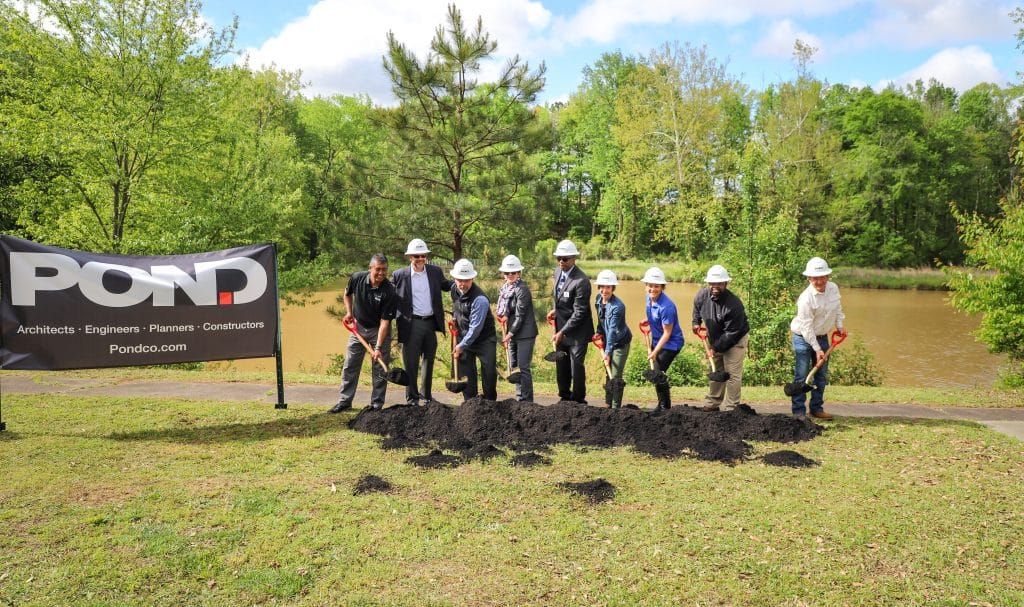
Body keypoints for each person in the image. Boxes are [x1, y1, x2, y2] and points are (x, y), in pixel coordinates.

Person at [330, 253, 397, 413]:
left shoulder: (389, 290)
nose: (381, 273)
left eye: (384, 270)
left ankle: (376, 405)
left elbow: (385, 322)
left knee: (380, 369)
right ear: (370, 268)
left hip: (378, 330)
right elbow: (347, 294)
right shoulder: (357, 278)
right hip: (357, 328)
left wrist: (378, 347)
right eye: (378, 269)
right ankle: (344, 402)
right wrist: (348, 313)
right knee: (350, 366)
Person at [392, 238, 454, 406]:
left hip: (430, 323)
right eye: (416, 256)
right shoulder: (399, 275)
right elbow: (388, 295)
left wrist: (462, 281)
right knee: (411, 363)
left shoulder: (434, 271)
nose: (420, 259)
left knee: (429, 360)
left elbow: (447, 285)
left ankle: (426, 396)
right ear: (410, 257)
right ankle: (412, 398)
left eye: (423, 256)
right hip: (411, 324)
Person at [790, 256, 847, 420]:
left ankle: (816, 409)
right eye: (815, 278)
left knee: (821, 376)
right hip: (803, 338)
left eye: (822, 277)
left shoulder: (833, 288)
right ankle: (798, 413)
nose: (819, 281)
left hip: (823, 337)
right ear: (809, 278)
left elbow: (837, 309)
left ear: (827, 276)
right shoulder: (806, 299)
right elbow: (806, 328)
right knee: (802, 376)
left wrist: (840, 326)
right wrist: (817, 349)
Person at [691, 264, 750, 412]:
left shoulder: (734, 305)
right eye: (712, 283)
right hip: (715, 337)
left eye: (719, 283)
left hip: (735, 339)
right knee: (717, 370)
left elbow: (731, 334)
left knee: (732, 374)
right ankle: (713, 403)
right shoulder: (702, 295)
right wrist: (695, 323)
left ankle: (731, 407)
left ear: (725, 283)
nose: (715, 286)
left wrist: (715, 349)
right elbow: (696, 309)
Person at [546, 239, 594, 404]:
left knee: (576, 367)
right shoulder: (557, 272)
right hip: (561, 327)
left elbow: (580, 312)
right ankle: (564, 397)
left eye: (565, 259)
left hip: (578, 332)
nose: (561, 262)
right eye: (558, 258)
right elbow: (559, 297)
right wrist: (556, 310)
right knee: (562, 364)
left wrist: (563, 331)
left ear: (574, 258)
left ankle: (579, 400)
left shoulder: (582, 281)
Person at [449, 258, 498, 401]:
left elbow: (475, 328)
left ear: (472, 278)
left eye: (466, 280)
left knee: (488, 373)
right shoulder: (454, 289)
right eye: (459, 280)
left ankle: (490, 403)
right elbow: (458, 307)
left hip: (484, 340)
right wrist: (455, 319)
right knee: (468, 375)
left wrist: (461, 345)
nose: (462, 284)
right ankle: (470, 405)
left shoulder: (480, 300)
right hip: (464, 338)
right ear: (454, 278)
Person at [496, 254, 538, 402]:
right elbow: (510, 310)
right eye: (507, 273)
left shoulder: (522, 289)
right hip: (513, 332)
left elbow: (520, 316)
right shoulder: (506, 289)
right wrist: (505, 316)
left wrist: (510, 333)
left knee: (523, 367)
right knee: (514, 367)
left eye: (513, 272)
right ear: (503, 274)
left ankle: (527, 401)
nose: (510, 275)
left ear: (519, 273)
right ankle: (519, 397)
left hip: (525, 333)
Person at [642, 267, 683, 411]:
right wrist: (647, 321)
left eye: (656, 286)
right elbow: (653, 316)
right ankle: (661, 404)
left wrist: (655, 352)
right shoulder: (649, 298)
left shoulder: (667, 307)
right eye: (650, 285)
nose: (652, 289)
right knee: (657, 373)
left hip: (671, 343)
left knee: (657, 372)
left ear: (662, 287)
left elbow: (667, 333)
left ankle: (665, 406)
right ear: (646, 285)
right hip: (657, 340)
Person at [594, 270, 631, 408]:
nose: (604, 290)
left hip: (620, 342)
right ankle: (607, 403)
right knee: (607, 372)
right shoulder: (598, 300)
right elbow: (601, 321)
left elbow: (611, 331)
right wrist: (598, 332)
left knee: (615, 375)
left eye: (608, 287)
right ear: (598, 287)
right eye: (602, 287)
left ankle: (616, 407)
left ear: (613, 288)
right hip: (607, 340)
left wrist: (608, 352)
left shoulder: (618, 306)